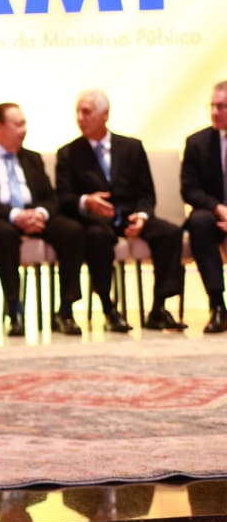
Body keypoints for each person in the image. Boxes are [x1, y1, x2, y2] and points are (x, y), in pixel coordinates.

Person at [55, 89, 184, 332]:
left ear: (105, 114)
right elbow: (63, 198)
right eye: (78, 112)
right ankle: (109, 308)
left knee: (170, 233)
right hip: (96, 220)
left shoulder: (131, 147)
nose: (80, 118)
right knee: (96, 238)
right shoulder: (68, 153)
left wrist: (142, 216)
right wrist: (86, 202)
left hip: (129, 215)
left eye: (86, 112)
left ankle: (158, 308)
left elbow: (147, 193)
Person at [0, 103, 87, 336]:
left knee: (72, 230)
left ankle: (66, 309)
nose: (24, 130)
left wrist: (40, 213)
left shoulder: (32, 158)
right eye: (17, 124)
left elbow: (51, 197)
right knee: (5, 234)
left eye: (24, 124)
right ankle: (14, 310)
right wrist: (15, 215)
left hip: (33, 214)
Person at [180, 79, 227, 334]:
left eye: (221, 106)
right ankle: (217, 305)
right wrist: (218, 208)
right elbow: (189, 189)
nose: (215, 112)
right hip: (212, 215)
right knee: (199, 222)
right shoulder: (196, 142)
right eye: (212, 106)